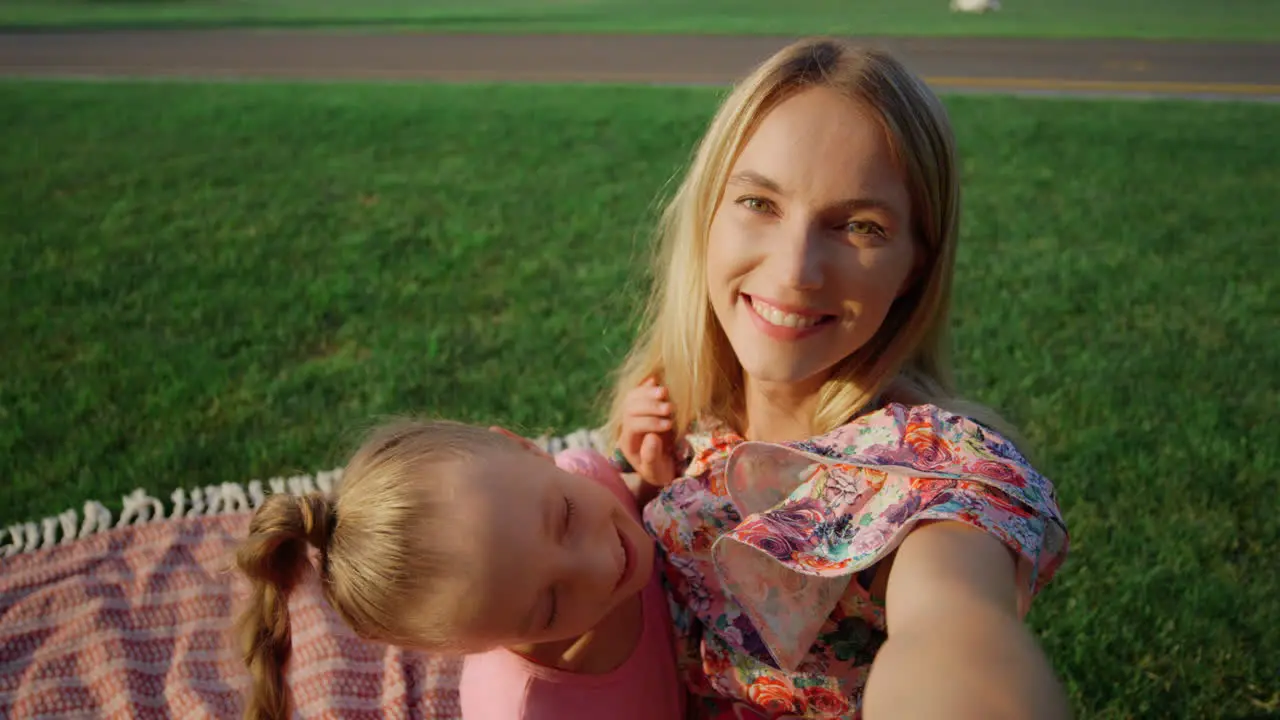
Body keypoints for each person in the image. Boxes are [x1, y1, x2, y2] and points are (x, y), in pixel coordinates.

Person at [605, 38, 1071, 720]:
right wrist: (628, 483)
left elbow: (953, 628)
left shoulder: (930, 470)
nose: (796, 270)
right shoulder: (678, 413)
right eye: (760, 204)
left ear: (915, 263)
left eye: (860, 225)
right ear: (708, 212)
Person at [234, 420, 683, 720]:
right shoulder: (524, 709)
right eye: (550, 605)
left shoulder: (588, 475)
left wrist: (648, 477)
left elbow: (639, 510)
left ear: (524, 447)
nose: (602, 564)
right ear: (480, 643)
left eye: (565, 517)